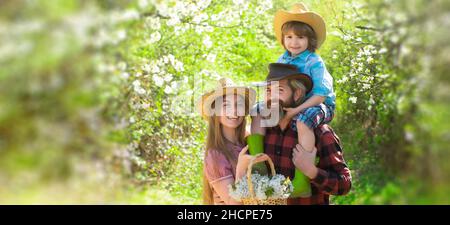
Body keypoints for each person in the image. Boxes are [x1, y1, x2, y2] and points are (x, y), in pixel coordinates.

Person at [197, 78, 269, 205]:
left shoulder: (247, 142)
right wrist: (241, 169)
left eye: (239, 105)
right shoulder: (215, 155)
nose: (234, 111)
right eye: (226, 105)